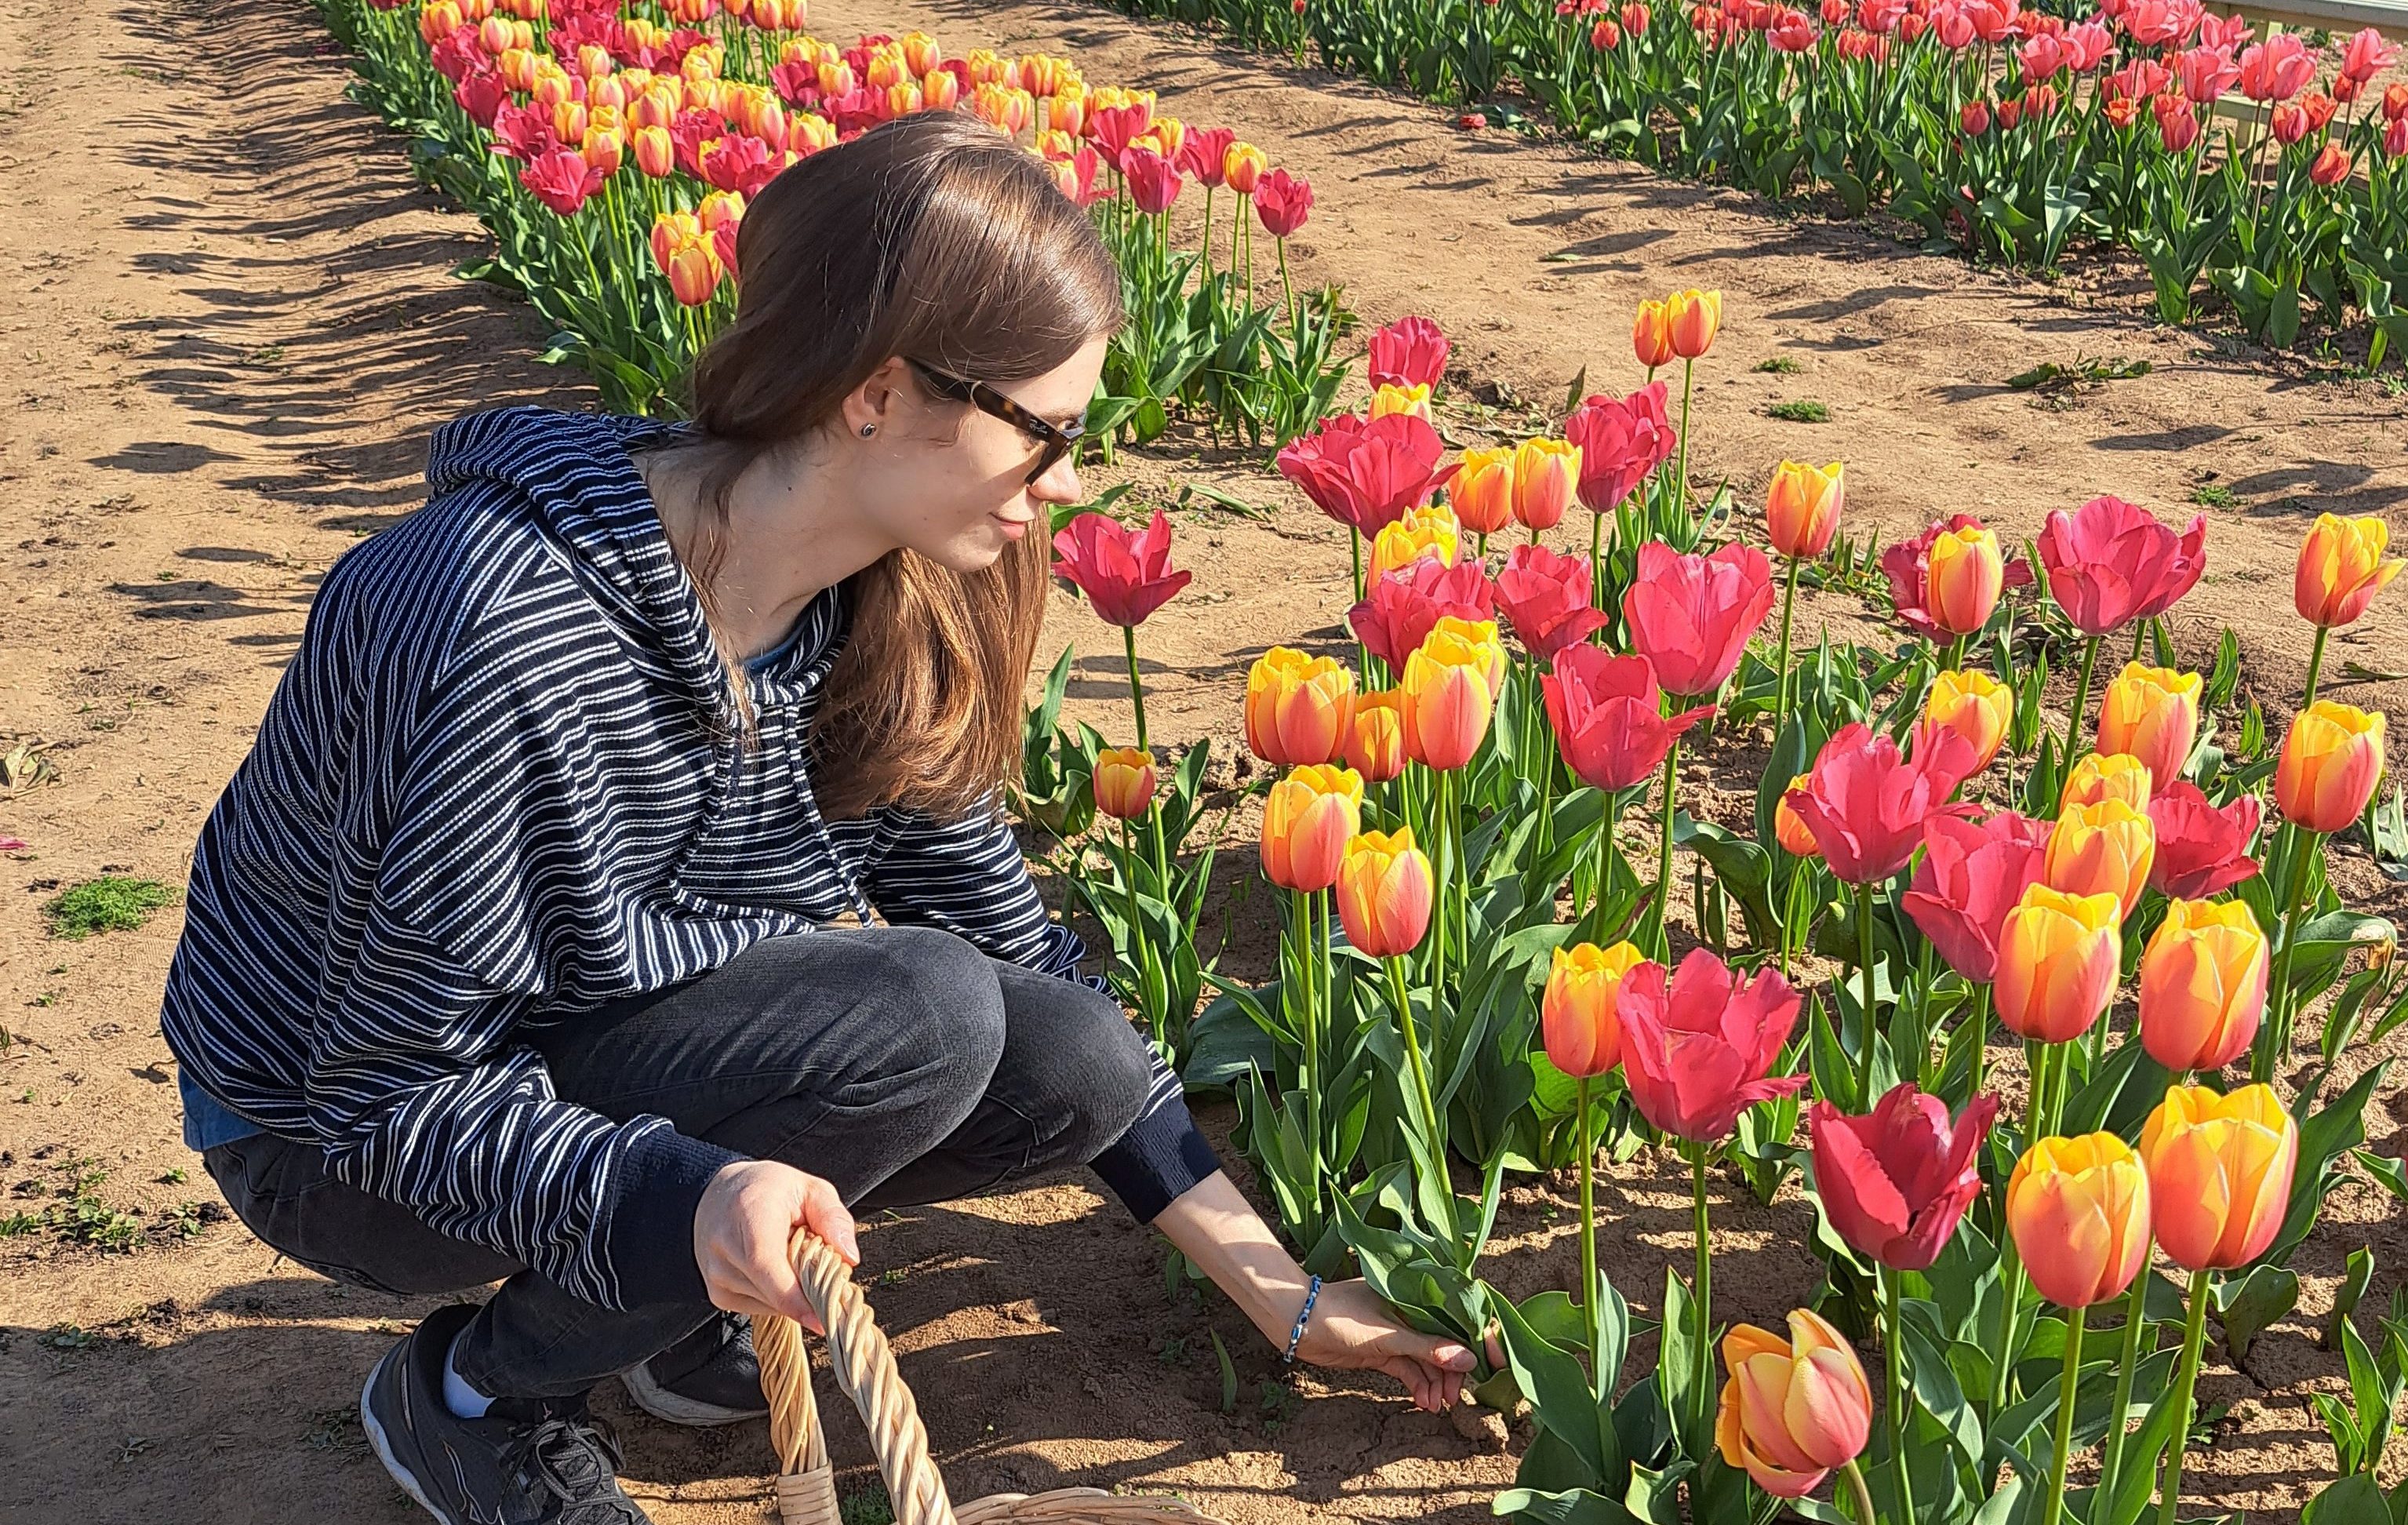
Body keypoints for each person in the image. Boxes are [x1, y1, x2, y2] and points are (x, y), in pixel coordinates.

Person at [158, 111, 1473, 1525]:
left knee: (1062, 1048)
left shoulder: (892, 596)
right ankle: (479, 1392)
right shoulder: (492, 624)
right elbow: (388, 1095)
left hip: (582, 1029)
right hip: (326, 1129)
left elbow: (1028, 963)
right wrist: (679, 1201)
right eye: (1047, 436)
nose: (1069, 485)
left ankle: (652, 1307)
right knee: (923, 1020)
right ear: (877, 393)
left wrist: (1290, 1302)